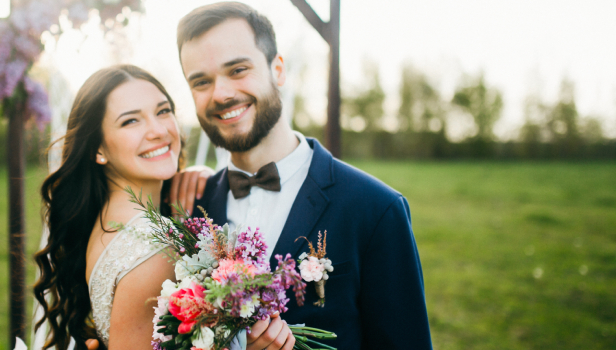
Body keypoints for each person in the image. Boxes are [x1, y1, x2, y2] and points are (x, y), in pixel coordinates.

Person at [171, 2, 433, 349]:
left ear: (277, 70)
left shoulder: (376, 210)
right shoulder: (186, 208)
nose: (221, 94)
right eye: (201, 81)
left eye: (237, 70)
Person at [32, 65, 212, 350]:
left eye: (163, 111)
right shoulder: (154, 247)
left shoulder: (107, 217)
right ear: (97, 149)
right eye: (131, 121)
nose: (158, 130)